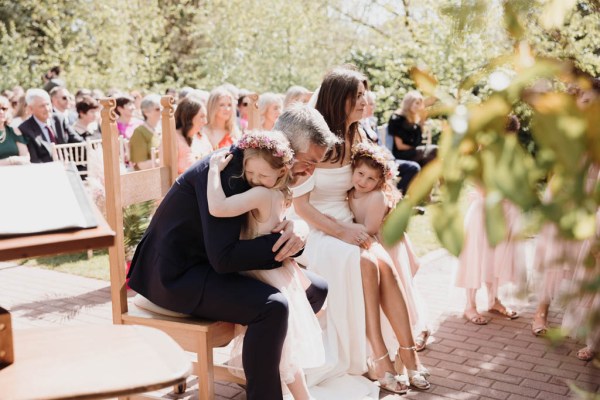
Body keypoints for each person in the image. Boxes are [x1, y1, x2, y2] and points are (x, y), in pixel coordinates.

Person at [127, 104, 338, 400]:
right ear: (286, 147)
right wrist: (282, 249)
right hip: (175, 275)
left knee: (316, 289)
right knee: (273, 306)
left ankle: (263, 366)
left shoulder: (260, 168)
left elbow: (263, 219)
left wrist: (296, 230)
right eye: (309, 161)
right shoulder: (231, 172)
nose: (310, 171)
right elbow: (224, 258)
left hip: (206, 264)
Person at [293, 67, 430, 396]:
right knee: (367, 263)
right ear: (338, 99)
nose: (364, 101)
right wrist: (342, 231)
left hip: (350, 223)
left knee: (384, 261)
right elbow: (301, 207)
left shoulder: (355, 136)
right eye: (357, 96)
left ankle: (409, 358)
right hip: (318, 229)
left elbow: (368, 182)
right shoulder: (312, 139)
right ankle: (378, 357)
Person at [207, 130, 324, 400]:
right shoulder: (280, 193)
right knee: (286, 350)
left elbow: (218, 207)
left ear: (281, 171)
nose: (255, 180)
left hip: (262, 275)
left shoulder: (261, 194)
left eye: (263, 175)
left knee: (283, 352)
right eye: (250, 173)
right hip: (278, 273)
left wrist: (214, 170)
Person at [348, 142, 432, 351]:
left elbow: (369, 228)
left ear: (380, 181)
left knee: (399, 287)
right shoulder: (350, 192)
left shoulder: (377, 197)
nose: (363, 181)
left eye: (371, 178)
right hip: (373, 244)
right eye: (360, 174)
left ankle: (416, 326)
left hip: (387, 244)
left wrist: (336, 224)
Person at [456, 115, 524, 325]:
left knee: (497, 257)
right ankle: (470, 305)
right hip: (484, 214)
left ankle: (494, 300)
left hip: (505, 212)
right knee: (476, 256)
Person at [19, 88, 83, 163]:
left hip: (68, 165)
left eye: (48, 104)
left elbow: (78, 140)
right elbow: (34, 159)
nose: (47, 108)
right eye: (42, 106)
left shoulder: (59, 119)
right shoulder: (25, 129)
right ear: (31, 108)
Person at [388, 90, 437, 167]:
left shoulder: (414, 119)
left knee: (429, 160)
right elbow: (400, 146)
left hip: (412, 152)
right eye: (417, 103)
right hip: (400, 155)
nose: (419, 106)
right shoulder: (397, 118)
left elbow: (417, 142)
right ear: (409, 103)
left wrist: (421, 123)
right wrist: (416, 149)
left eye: (420, 104)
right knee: (434, 150)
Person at [174, 95, 209, 174]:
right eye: (202, 116)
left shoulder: (201, 137)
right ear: (189, 117)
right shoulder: (173, 140)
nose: (205, 121)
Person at [128, 94, 161, 170]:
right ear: (146, 112)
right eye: (157, 109)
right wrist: (165, 161)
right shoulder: (139, 132)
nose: (161, 111)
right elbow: (142, 165)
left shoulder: (160, 129)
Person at [0, 95, 30, 166]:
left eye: (4, 109)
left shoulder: (14, 131)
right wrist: (11, 160)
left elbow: (26, 158)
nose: (1, 111)